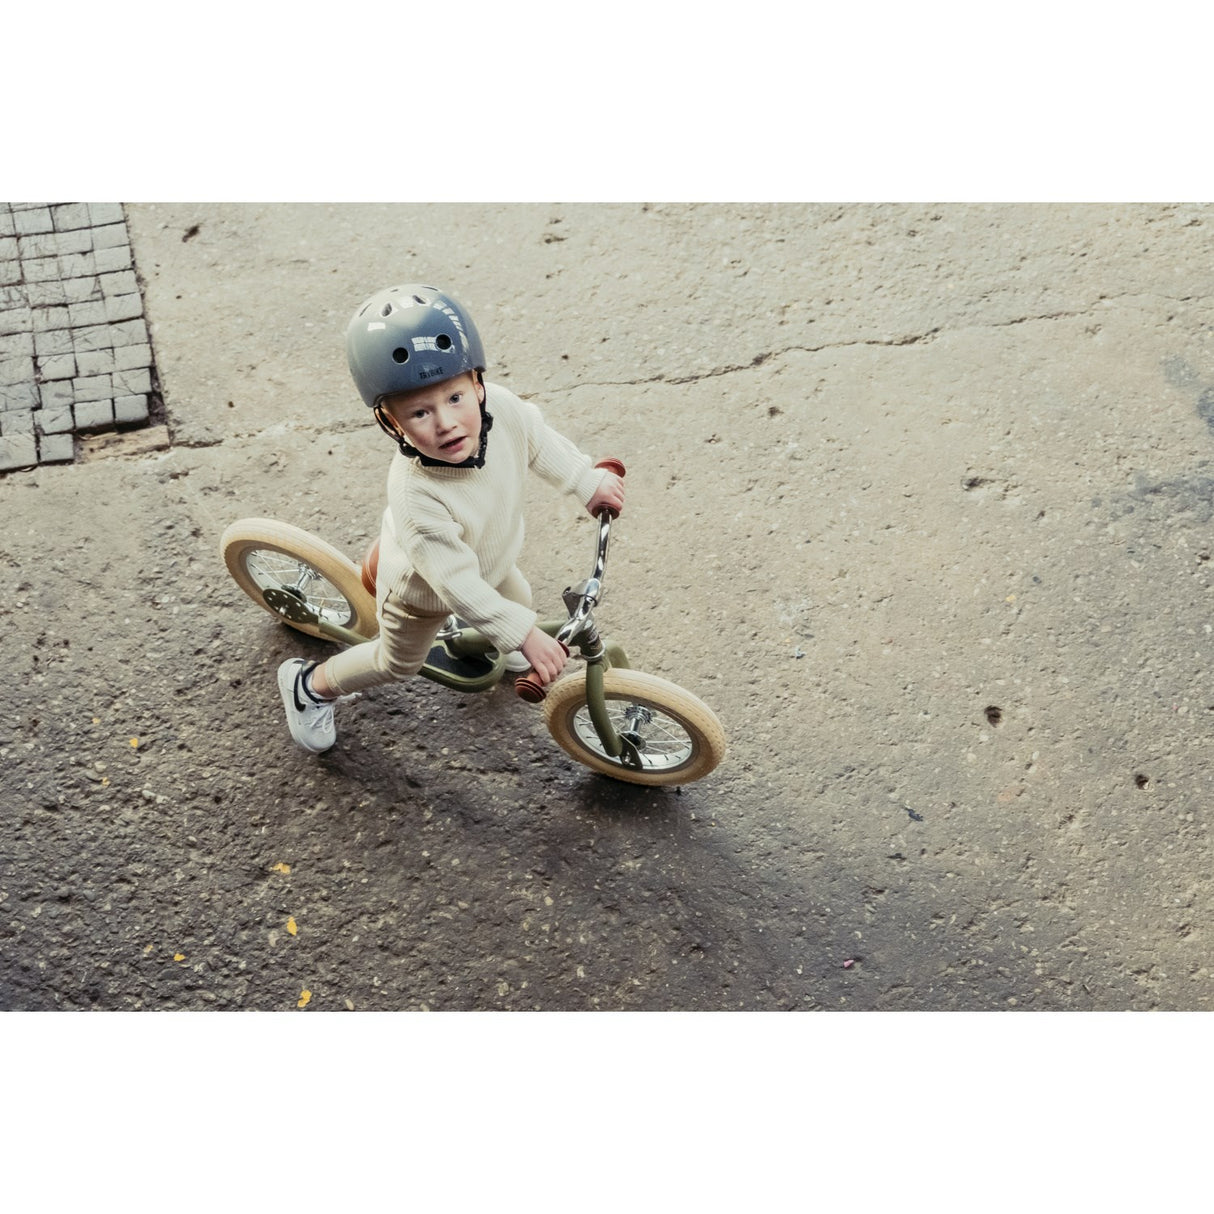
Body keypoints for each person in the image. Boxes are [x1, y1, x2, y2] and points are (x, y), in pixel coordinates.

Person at [277, 283, 625, 754]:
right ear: (391, 423)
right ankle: (310, 686)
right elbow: (456, 583)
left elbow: (538, 441)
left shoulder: (500, 407)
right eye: (420, 411)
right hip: (423, 590)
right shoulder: (415, 494)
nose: (446, 422)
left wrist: (586, 481)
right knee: (396, 663)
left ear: (477, 385)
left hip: (491, 556)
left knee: (515, 595)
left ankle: (495, 639)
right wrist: (520, 632)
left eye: (456, 398)